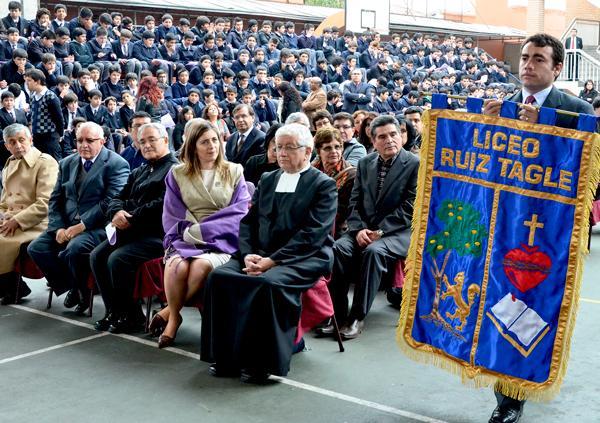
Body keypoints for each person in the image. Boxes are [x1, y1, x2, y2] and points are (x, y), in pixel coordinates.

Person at [483, 33, 594, 423]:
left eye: (539, 59)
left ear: (557, 67)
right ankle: (508, 393)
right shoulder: (506, 106)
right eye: (525, 57)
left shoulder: (577, 110)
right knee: (501, 301)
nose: (527, 64)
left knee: (539, 306)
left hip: (552, 231)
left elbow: (590, 167)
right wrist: (487, 127)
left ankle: (522, 383)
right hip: (508, 224)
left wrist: (549, 126)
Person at [201, 123, 337, 383]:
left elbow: (313, 234)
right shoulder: (268, 178)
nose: (281, 153)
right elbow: (249, 222)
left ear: (308, 151)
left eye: (289, 147)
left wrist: (272, 261)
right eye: (278, 147)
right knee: (219, 277)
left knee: (267, 284)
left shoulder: (323, 184)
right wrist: (249, 254)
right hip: (259, 254)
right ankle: (227, 357)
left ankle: (261, 364)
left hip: (306, 256)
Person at [155, 119, 251, 348]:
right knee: (177, 266)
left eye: (215, 140)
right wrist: (188, 232)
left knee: (200, 266)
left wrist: (204, 230)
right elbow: (172, 213)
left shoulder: (235, 171)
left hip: (222, 239)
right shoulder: (177, 174)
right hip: (186, 235)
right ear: (193, 146)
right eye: (205, 142)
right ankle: (176, 317)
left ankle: (170, 310)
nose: (212, 146)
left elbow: (238, 212)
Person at [325, 115, 419, 340]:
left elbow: (410, 207)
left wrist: (381, 231)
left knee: (373, 252)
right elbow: (354, 201)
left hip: (397, 232)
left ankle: (357, 316)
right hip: (363, 229)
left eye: (394, 134)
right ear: (373, 141)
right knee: (338, 249)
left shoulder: (415, 164)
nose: (389, 140)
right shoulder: (366, 163)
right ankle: (335, 314)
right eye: (382, 136)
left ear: (401, 136)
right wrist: (358, 230)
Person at [28, 122, 129, 315]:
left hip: (98, 227)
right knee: (36, 248)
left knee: (74, 249)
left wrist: (82, 226)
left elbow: (111, 201)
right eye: (79, 140)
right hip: (66, 225)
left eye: (89, 140)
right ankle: (76, 287)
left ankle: (81, 290)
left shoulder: (116, 164)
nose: (83, 145)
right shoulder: (67, 162)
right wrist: (57, 227)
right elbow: (55, 199)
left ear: (103, 141)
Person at [90, 123, 178, 333]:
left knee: (117, 259)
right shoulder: (141, 169)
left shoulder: (175, 169)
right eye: (142, 141)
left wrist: (131, 216)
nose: (146, 145)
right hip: (131, 230)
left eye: (152, 140)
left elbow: (162, 204)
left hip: (158, 235)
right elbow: (118, 197)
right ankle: (115, 312)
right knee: (96, 255)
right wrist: (117, 212)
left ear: (165, 140)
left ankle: (133, 316)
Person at [0, 124, 59, 304]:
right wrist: (2, 216)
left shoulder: (45, 162)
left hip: (37, 222)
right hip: (11, 220)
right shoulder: (9, 163)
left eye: (21, 140)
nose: (18, 145)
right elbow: (4, 201)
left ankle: (11, 288)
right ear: (6, 146)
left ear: (31, 139)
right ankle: (13, 286)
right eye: (12, 142)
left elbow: (45, 203)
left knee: (2, 241)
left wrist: (17, 220)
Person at [312, 127, 356, 239]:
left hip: (337, 227)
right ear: (318, 151)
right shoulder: (310, 171)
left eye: (337, 147)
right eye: (327, 148)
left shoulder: (351, 175)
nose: (334, 152)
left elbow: (343, 211)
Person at [25, 69, 64, 161]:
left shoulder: (50, 96)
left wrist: (60, 134)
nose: (27, 83)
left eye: (29, 81)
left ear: (37, 81)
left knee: (53, 162)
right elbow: (32, 114)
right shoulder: (32, 95)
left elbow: (58, 118)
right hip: (37, 136)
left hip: (49, 136)